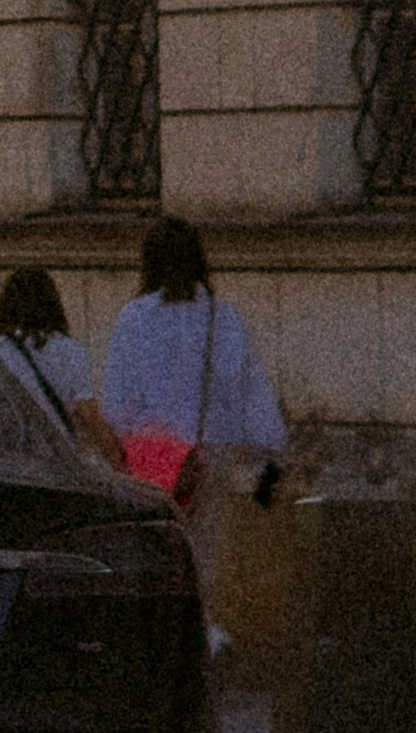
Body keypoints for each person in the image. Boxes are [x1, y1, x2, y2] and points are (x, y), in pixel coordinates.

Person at [102, 217, 288, 514]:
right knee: (200, 550)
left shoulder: (134, 318)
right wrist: (267, 460)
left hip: (151, 457)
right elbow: (250, 392)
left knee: (157, 543)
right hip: (207, 456)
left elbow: (117, 403)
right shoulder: (223, 317)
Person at [0, 268, 114, 456]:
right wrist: (117, 460)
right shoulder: (71, 351)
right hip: (58, 463)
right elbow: (89, 415)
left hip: (12, 462)